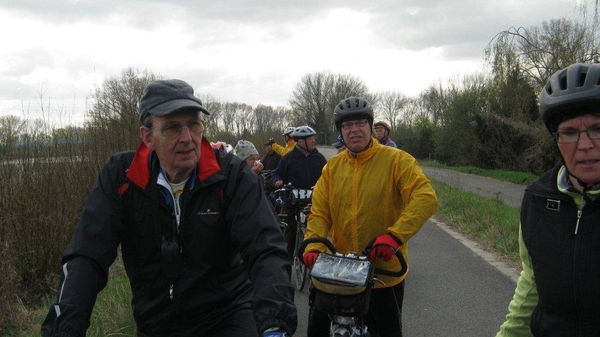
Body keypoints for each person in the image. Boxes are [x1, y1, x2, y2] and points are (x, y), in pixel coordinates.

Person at [41, 79, 297, 337]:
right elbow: (87, 255)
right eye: (173, 128)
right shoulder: (121, 178)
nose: (187, 138)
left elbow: (265, 248)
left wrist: (275, 323)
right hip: (157, 320)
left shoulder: (231, 175)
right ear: (148, 136)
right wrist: (65, 328)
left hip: (227, 314)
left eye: (194, 125)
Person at [302, 97, 438, 337]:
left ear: (371, 126)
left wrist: (395, 237)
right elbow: (320, 211)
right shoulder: (332, 168)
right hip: (339, 273)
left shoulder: (397, 160)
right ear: (341, 132)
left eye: (360, 123)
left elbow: (425, 198)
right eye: (347, 126)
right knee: (317, 330)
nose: (354, 130)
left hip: (383, 273)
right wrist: (313, 244)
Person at [496, 63, 600, 336]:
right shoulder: (538, 199)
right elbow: (531, 284)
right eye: (569, 132)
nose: (585, 144)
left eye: (597, 128)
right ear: (556, 140)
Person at [272, 125, 327, 259]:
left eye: (314, 138)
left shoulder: (319, 158)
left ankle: (313, 257)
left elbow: (328, 177)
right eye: (310, 139)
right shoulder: (288, 158)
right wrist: (277, 181)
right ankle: (288, 260)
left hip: (312, 200)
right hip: (292, 200)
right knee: (290, 231)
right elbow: (277, 174)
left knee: (315, 230)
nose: (314, 141)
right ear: (301, 142)